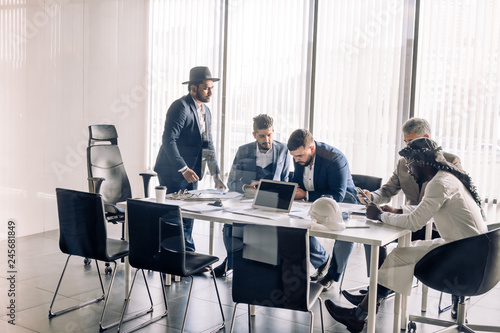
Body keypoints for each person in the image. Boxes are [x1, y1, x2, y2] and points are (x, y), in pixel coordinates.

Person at [325, 137, 487, 333]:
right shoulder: (445, 177)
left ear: (420, 163)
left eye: (410, 165)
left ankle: (362, 312)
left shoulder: (438, 184)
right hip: (473, 248)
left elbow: (414, 223)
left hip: (465, 254)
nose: (408, 172)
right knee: (401, 256)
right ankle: (365, 308)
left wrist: (381, 216)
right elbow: (425, 211)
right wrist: (397, 211)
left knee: (400, 257)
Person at [346, 118, 463, 315]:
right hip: (410, 222)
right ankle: (379, 288)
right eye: (405, 142)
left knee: (402, 253)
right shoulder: (404, 163)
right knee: (371, 235)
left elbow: (453, 202)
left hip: (438, 227)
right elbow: (388, 190)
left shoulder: (449, 163)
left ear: (425, 138)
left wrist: (391, 214)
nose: (407, 148)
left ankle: (458, 299)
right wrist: (371, 196)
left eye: (410, 142)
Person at [154, 66, 225, 252]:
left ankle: (188, 254)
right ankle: (171, 257)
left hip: (193, 171)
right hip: (173, 170)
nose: (211, 92)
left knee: (189, 214)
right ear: (193, 88)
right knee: (173, 216)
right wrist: (183, 168)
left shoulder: (206, 111)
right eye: (206, 88)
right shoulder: (181, 107)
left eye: (212, 88)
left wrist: (216, 174)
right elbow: (168, 140)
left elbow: (208, 145)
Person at [213, 114, 290, 277]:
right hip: (246, 200)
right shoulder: (243, 151)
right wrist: (246, 186)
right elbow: (232, 181)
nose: (266, 140)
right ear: (254, 135)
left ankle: (233, 263)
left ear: (273, 132)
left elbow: (285, 180)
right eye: (262, 136)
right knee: (229, 227)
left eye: (269, 135)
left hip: (272, 203)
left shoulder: (283, 150)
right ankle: (233, 261)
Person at [287, 129, 360, 291]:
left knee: (343, 236)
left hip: (343, 205)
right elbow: (298, 181)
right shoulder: (299, 158)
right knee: (292, 225)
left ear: (311, 149)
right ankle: (321, 261)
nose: (296, 160)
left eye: (299, 156)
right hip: (312, 201)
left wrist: (306, 194)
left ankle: (333, 275)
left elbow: (338, 195)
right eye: (293, 156)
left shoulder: (335, 159)